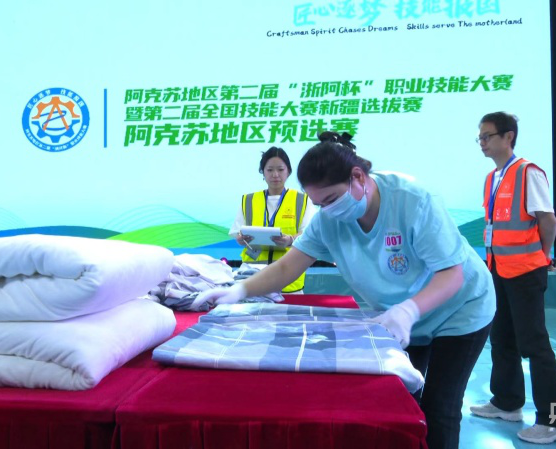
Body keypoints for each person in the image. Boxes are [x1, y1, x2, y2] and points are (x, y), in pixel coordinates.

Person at [196, 131, 495, 449]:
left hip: (458, 309)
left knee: (440, 407)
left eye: (332, 199)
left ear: (358, 177)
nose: (327, 210)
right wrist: (239, 290)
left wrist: (409, 310)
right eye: (318, 204)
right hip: (397, 315)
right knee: (402, 400)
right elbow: (287, 267)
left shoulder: (413, 200)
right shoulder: (328, 220)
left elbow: (451, 275)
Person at [469, 112, 556, 444]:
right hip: (498, 269)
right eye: (479, 137)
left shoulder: (528, 172)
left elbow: (548, 220)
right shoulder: (492, 178)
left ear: (508, 137)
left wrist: (543, 256)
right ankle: (507, 402)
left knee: (535, 345)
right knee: (501, 338)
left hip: (527, 270)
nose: (482, 142)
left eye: (487, 136)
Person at [229, 147, 315, 293]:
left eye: (280, 169)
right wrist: (241, 239)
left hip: (288, 278)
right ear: (263, 172)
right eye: (269, 170)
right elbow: (237, 233)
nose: (275, 175)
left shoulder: (302, 200)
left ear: (288, 171)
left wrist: (290, 240)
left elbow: (309, 234)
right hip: (252, 276)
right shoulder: (249, 200)